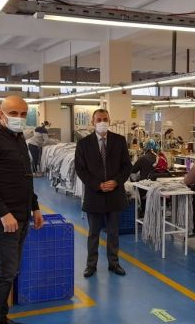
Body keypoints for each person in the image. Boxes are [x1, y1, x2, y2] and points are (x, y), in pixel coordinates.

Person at [0, 96, 44, 324]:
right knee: (6, 272)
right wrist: (4, 213)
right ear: (2, 114)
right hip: (3, 218)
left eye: (23, 114)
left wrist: (35, 207)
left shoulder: (19, 139)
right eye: (14, 113)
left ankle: (1, 317)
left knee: (12, 271)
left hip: (22, 215)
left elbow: (27, 177)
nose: (19, 118)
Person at [75, 109, 132, 278]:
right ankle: (91, 265)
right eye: (98, 119)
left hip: (115, 194)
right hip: (95, 194)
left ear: (109, 120)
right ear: (92, 122)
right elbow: (80, 169)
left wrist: (116, 182)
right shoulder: (83, 144)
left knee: (113, 232)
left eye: (105, 119)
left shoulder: (119, 141)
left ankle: (114, 263)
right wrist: (97, 185)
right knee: (93, 233)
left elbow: (126, 166)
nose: (102, 122)